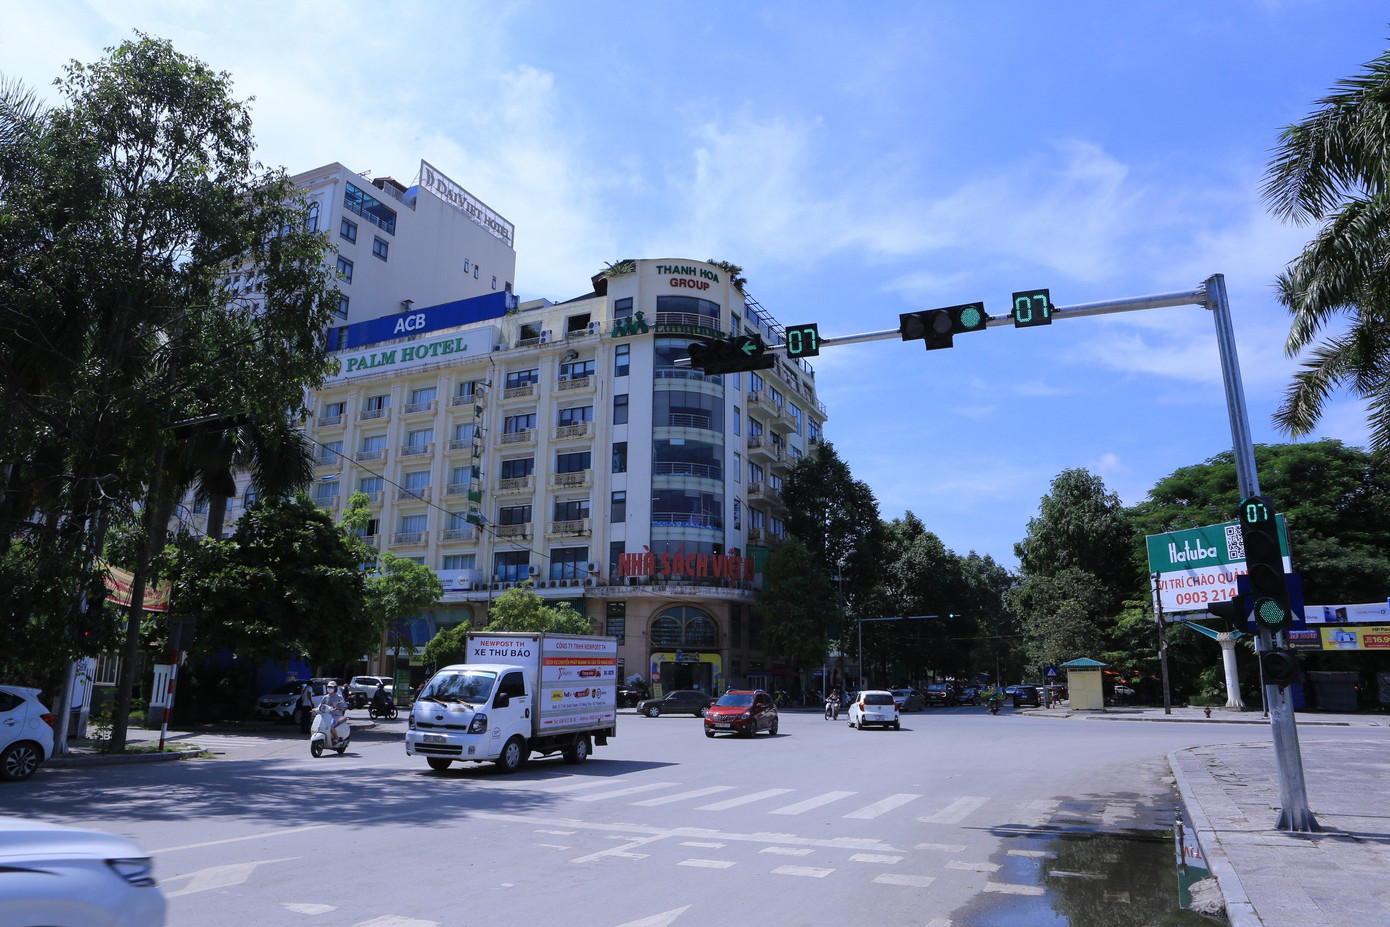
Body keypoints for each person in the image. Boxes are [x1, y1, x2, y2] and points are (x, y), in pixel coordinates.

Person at [319, 680, 348, 744]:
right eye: (328, 687)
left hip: (335, 716)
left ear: (335, 688)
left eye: (331, 687)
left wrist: (339, 709)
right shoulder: (325, 697)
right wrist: (316, 709)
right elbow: (320, 706)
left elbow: (344, 707)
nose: (329, 688)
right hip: (326, 716)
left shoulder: (339, 697)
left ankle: (337, 739)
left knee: (331, 726)